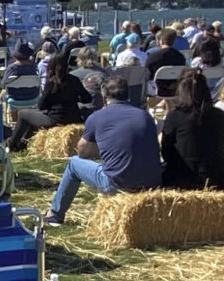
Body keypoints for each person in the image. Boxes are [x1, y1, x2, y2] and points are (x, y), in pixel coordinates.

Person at [46, 72, 163, 223]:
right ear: (128, 95)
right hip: (151, 182)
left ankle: (55, 214)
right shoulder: (145, 116)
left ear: (104, 98)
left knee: (73, 164)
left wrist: (101, 148)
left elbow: (82, 152)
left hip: (118, 182)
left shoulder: (96, 117)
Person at [159, 68, 224, 192]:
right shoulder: (221, 116)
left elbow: (166, 152)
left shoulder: (174, 117)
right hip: (218, 178)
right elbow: (223, 148)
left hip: (183, 179)